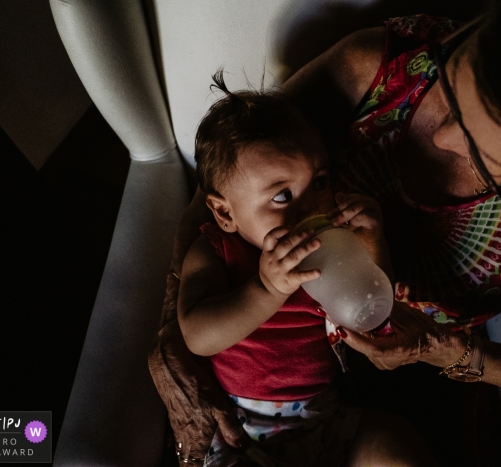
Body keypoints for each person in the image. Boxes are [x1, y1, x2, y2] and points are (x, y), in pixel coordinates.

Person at [149, 1, 501, 465]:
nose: (443, 134)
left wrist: (462, 357)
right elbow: (222, 185)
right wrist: (173, 339)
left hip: (380, 391)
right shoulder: (378, 67)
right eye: (455, 86)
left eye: (486, 156)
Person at [165, 71, 437, 467]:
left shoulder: (337, 241)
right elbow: (198, 336)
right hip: (243, 431)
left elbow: (374, 313)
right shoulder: (214, 250)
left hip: (325, 416)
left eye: (320, 181)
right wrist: (265, 288)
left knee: (396, 445)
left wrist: (374, 243)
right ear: (225, 212)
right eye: (281, 195)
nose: (311, 208)